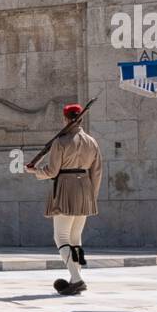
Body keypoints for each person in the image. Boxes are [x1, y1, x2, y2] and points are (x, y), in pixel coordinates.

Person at [29, 104, 103, 296]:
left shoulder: (61, 142)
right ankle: (75, 276)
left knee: (61, 237)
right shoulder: (92, 142)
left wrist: (34, 171)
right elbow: (97, 172)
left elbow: (52, 171)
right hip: (85, 189)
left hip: (66, 187)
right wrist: (91, 196)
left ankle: (77, 279)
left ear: (65, 119)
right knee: (75, 238)